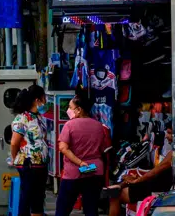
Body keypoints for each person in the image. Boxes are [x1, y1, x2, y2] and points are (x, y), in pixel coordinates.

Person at [56, 96, 111, 216]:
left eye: (71, 107)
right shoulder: (99, 126)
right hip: (94, 171)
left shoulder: (69, 125)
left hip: (73, 173)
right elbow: (103, 149)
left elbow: (63, 148)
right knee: (91, 209)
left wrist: (80, 162)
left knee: (63, 209)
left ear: (79, 109)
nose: (69, 110)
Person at [107, 129, 174, 216]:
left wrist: (137, 180)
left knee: (115, 195)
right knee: (118, 189)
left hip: (159, 187)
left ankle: (119, 187)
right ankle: (120, 186)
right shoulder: (172, 152)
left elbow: (155, 172)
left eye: (169, 134)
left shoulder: (173, 154)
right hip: (157, 184)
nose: (166, 136)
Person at [9, 84, 50, 216]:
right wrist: (15, 159)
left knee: (38, 198)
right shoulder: (22, 118)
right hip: (29, 164)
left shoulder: (38, 117)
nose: (45, 102)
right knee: (27, 197)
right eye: (44, 98)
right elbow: (14, 142)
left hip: (41, 164)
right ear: (37, 100)